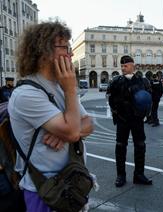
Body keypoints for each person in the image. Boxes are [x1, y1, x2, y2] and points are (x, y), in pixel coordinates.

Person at [8, 21, 94, 211]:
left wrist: (67, 131)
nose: (71, 54)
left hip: (72, 185)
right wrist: (71, 89)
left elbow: (88, 122)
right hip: (46, 192)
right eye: (65, 47)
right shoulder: (27, 94)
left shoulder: (58, 85)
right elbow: (72, 132)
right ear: (44, 51)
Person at [107, 55, 153, 187]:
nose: (123, 68)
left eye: (125, 65)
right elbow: (111, 100)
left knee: (140, 145)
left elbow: (149, 99)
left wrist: (146, 115)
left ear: (133, 65)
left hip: (137, 119)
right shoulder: (116, 82)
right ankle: (120, 175)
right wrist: (116, 113)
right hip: (122, 119)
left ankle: (139, 174)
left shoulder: (142, 81)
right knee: (120, 146)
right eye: (121, 66)